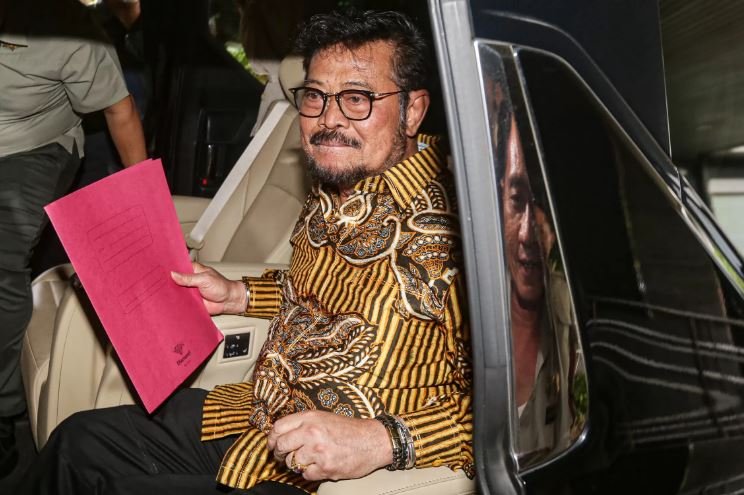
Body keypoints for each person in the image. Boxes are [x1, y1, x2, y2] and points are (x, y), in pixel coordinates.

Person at [19, 9, 472, 494]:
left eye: (357, 99)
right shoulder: (335, 187)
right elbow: (311, 291)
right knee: (78, 443)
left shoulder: (461, 232)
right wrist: (239, 294)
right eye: (315, 96)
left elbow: (511, 408)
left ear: (413, 110)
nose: (328, 119)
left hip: (327, 478)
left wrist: (382, 440)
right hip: (257, 415)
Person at [0, 0, 146, 479]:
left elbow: (120, 110)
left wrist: (143, 200)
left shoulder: (69, 30)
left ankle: (4, 407)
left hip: (32, 146)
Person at [497, 106, 580, 462]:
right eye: (518, 200)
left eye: (543, 203)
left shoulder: (579, 324)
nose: (527, 233)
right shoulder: (458, 306)